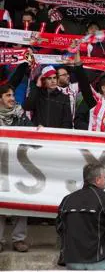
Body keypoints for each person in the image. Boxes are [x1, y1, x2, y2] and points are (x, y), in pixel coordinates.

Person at [56, 163, 105, 270]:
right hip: (98, 261)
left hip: (72, 260)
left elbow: (60, 227)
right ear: (97, 180)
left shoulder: (67, 199)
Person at [0, 84, 33, 253]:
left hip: (19, 166)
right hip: (1, 168)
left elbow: (32, 131)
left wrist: (38, 130)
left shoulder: (21, 115)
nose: (12, 98)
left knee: (21, 201)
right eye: (7, 95)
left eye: (13, 95)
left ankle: (19, 239)